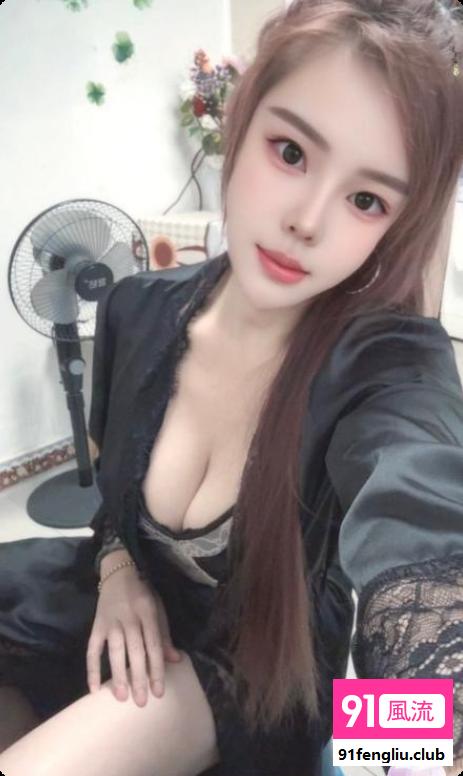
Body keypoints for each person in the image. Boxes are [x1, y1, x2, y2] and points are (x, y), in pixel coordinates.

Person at [0, 0, 462, 774]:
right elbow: (113, 500)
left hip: (251, 678)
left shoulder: (389, 367)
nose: (306, 221)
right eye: (290, 151)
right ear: (241, 122)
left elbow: (423, 537)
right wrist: (118, 573)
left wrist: (418, 735)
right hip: (114, 614)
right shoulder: (134, 308)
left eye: (365, 200)